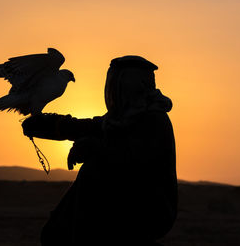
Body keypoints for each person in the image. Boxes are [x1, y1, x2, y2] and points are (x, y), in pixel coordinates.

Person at [22, 56, 177, 245]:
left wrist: (93, 148)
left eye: (118, 83)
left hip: (148, 208)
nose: (113, 90)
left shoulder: (154, 121)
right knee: (55, 232)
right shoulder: (119, 119)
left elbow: (134, 163)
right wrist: (48, 124)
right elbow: (86, 127)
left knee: (93, 171)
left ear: (132, 86)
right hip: (121, 204)